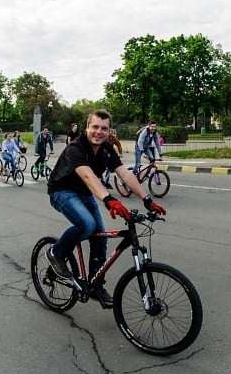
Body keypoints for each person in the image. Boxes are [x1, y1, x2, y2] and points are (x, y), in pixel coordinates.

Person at [46, 109, 167, 309]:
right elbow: (87, 176)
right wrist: (109, 199)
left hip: (85, 193)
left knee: (100, 235)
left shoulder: (107, 149)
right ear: (87, 128)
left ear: (109, 130)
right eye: (95, 127)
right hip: (62, 191)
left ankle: (95, 285)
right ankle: (55, 253)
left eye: (104, 128)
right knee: (87, 224)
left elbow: (125, 175)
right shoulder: (75, 149)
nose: (99, 132)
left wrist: (147, 199)